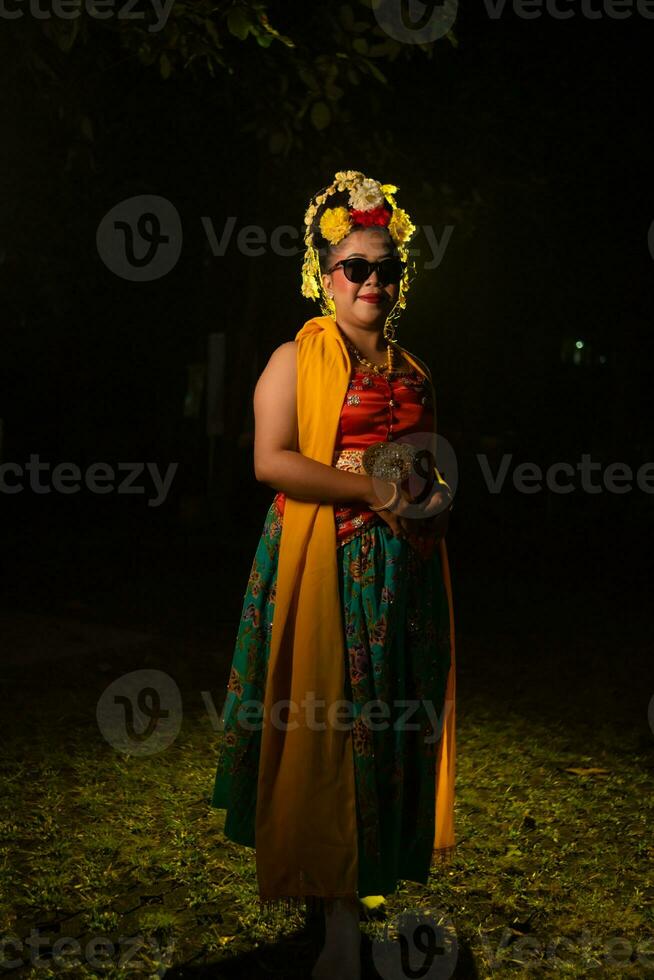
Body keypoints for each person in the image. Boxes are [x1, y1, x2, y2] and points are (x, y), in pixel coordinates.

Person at [210, 170, 457, 980]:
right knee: (330, 736)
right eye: (356, 266)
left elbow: (420, 463)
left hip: (405, 580)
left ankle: (365, 892)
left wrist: (428, 491)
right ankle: (339, 926)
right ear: (324, 273)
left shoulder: (413, 367)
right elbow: (271, 460)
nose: (373, 281)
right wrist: (375, 489)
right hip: (328, 567)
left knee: (385, 734)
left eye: (386, 268)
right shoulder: (297, 356)